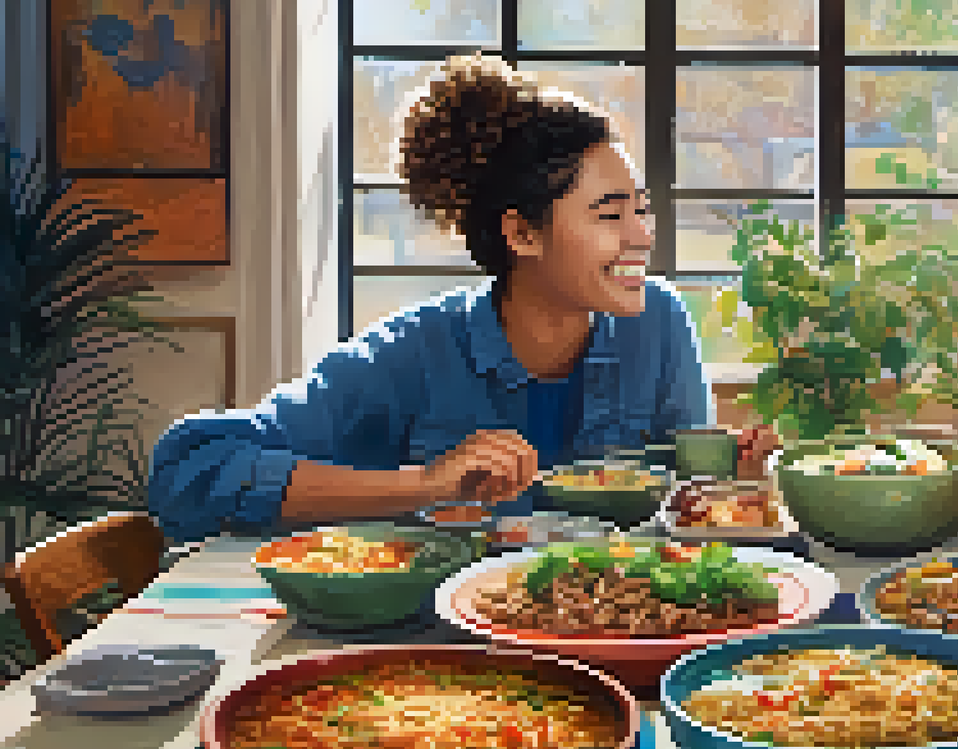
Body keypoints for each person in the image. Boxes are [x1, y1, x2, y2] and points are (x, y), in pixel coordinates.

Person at [149, 55, 774, 544]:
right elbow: (190, 471)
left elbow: (685, 510)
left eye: (641, 210)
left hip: (620, 633)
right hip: (444, 645)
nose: (642, 236)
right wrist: (425, 484)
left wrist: (734, 489)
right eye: (610, 215)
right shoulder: (413, 353)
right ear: (521, 234)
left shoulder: (659, 323)